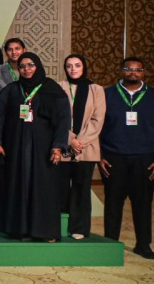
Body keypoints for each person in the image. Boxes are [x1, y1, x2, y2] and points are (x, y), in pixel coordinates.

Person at [0, 52, 70, 242]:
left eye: (31, 65)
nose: (26, 69)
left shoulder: (52, 90)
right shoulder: (11, 90)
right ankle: (20, 230)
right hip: (15, 147)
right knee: (17, 185)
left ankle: (45, 231)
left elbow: (63, 120)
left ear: (38, 66)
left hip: (44, 148)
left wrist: (58, 146)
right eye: (22, 66)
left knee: (43, 188)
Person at [98, 57, 154, 258]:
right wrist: (100, 156)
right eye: (128, 69)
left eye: (137, 70)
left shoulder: (153, 95)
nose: (133, 73)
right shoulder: (107, 95)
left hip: (145, 159)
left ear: (144, 72)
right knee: (113, 204)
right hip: (113, 158)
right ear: (121, 71)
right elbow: (97, 127)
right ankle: (110, 244)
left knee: (143, 204)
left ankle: (143, 245)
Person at [56, 54, 105, 240]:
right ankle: (59, 225)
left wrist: (80, 141)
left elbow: (98, 119)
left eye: (77, 65)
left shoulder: (96, 90)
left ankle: (79, 228)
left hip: (87, 148)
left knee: (81, 190)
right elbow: (54, 117)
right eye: (69, 66)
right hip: (63, 145)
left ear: (83, 67)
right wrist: (70, 139)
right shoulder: (58, 87)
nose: (73, 69)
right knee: (60, 188)